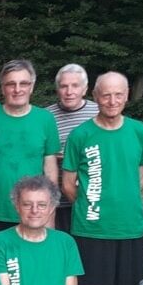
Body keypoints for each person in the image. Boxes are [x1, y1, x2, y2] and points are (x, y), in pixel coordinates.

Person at [62, 72, 143, 285]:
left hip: (129, 227)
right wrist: (93, 203)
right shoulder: (81, 135)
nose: (112, 100)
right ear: (95, 96)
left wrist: (121, 197)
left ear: (127, 96)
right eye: (106, 94)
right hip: (90, 228)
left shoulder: (138, 130)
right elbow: (68, 183)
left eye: (118, 94)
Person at [0, 60, 60, 246]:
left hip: (33, 213)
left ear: (31, 87)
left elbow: (50, 171)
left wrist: (50, 214)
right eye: (11, 84)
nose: (17, 89)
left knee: (29, 271)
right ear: (2, 88)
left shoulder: (45, 120)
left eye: (23, 83)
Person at [46, 64, 99, 233]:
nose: (69, 92)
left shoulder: (98, 113)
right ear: (57, 90)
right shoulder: (46, 117)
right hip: (56, 203)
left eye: (75, 86)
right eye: (64, 86)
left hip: (89, 201)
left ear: (85, 89)